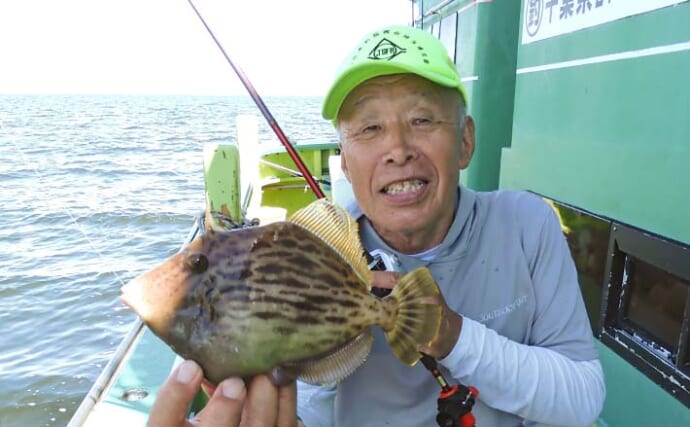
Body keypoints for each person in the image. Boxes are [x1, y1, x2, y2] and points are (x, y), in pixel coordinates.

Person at [148, 24, 605, 427]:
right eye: (369, 129)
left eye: (422, 119)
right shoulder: (313, 257)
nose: (398, 148)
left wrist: (451, 334)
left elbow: (583, 398)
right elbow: (310, 397)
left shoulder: (526, 224)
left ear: (465, 141)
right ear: (344, 162)